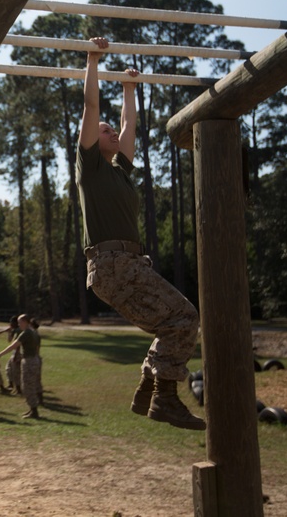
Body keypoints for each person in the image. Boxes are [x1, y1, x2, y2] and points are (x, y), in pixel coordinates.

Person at [76, 36, 205, 431]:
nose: (111, 129)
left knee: (176, 321)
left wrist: (129, 89)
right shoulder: (90, 167)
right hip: (112, 264)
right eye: (104, 129)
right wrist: (93, 61)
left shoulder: (119, 171)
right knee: (184, 318)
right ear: (91, 142)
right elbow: (91, 106)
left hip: (126, 264)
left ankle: (150, 390)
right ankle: (162, 396)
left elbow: (130, 123)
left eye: (110, 128)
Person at [0, 314, 40, 418]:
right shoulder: (32, 331)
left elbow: (13, 345)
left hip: (29, 361)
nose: (18, 324)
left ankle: (34, 410)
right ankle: (32, 409)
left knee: (28, 386)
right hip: (32, 360)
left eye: (20, 322)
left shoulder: (26, 333)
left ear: (25, 322)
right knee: (29, 385)